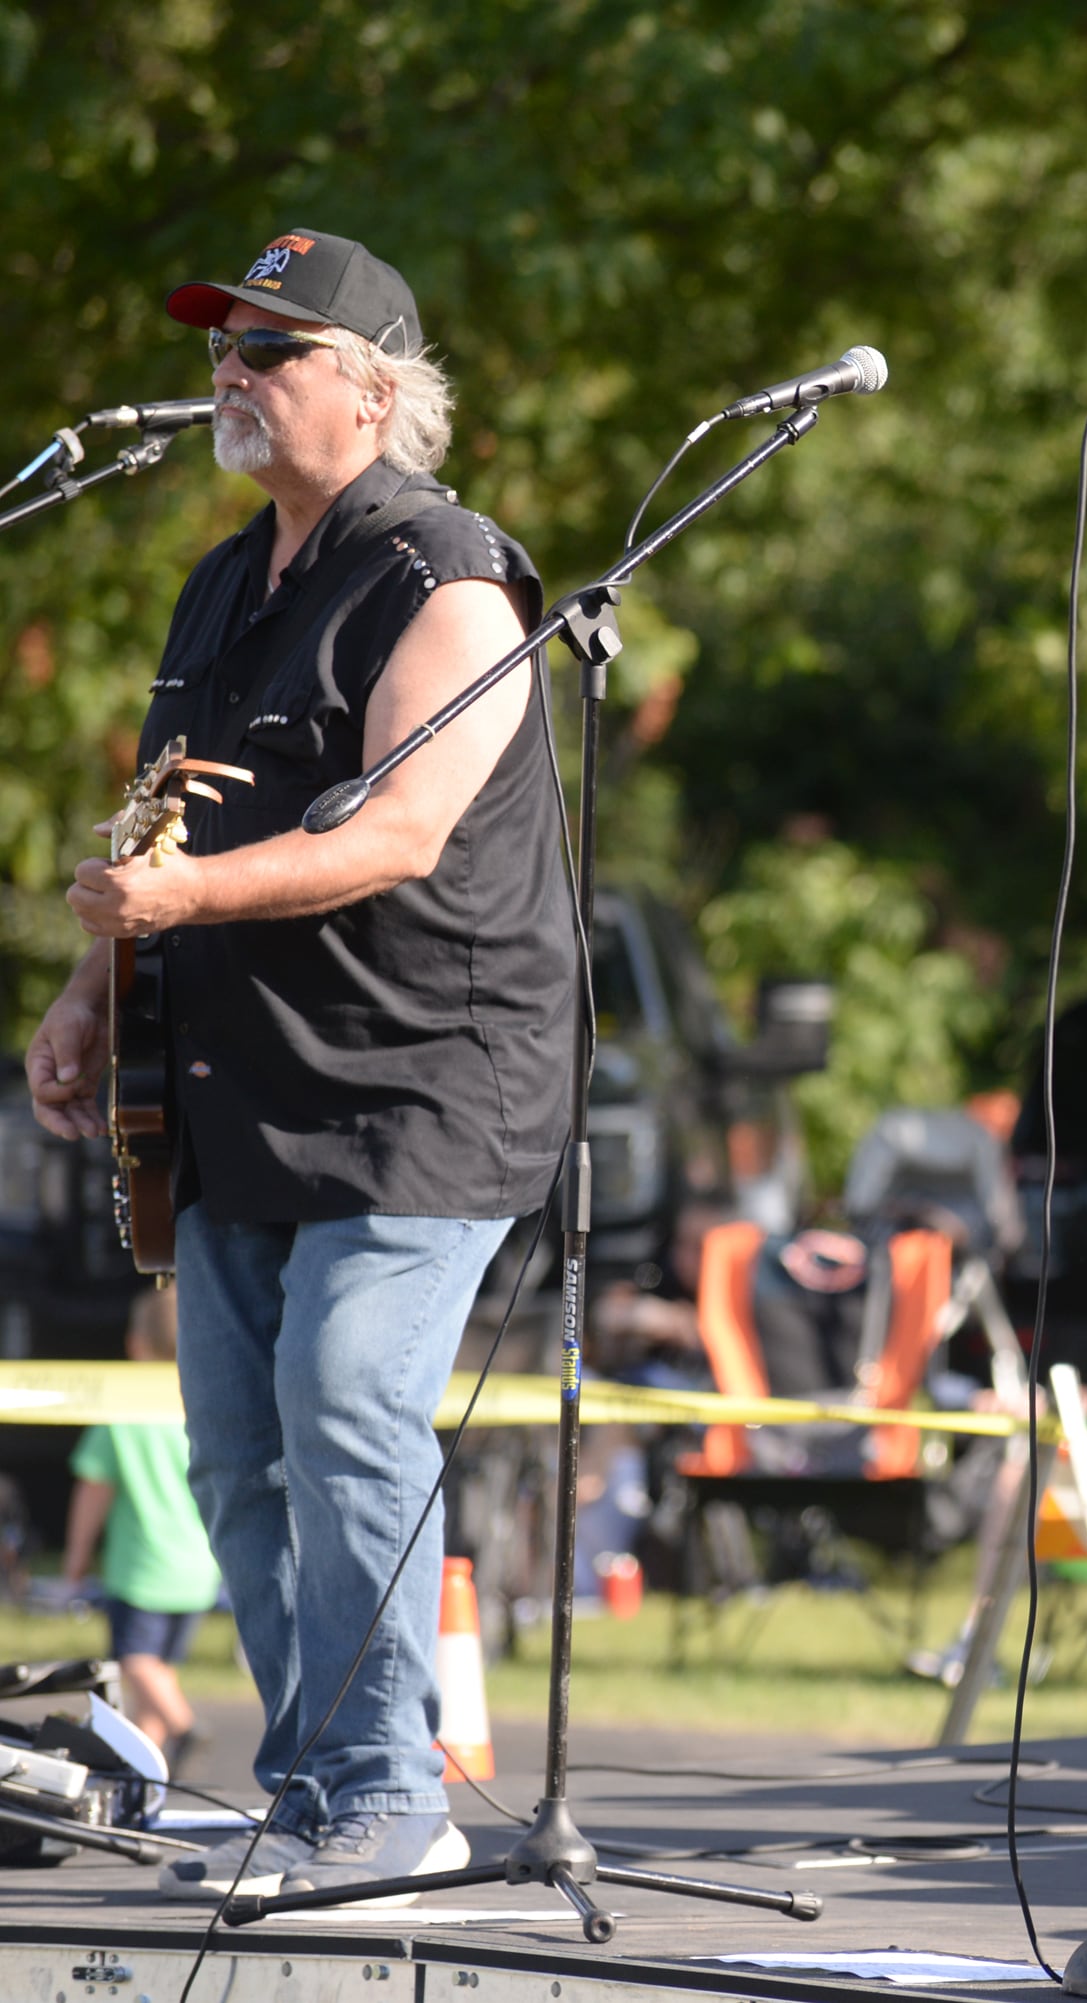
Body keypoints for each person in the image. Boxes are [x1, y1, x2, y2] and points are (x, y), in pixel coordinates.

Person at [21, 228, 572, 1901]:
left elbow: (401, 833)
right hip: (239, 1084)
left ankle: (395, 1792)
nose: (231, 376)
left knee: (347, 1401)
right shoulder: (219, 580)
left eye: (274, 349)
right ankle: (321, 1785)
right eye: (222, 348)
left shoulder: (447, 575)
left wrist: (173, 898)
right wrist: (90, 992)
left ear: (378, 389)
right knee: (236, 1453)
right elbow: (160, 830)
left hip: (427, 1080)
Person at [63, 1287, 222, 1771]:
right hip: (198, 1568)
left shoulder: (124, 1409)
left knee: (134, 1659)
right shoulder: (203, 1403)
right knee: (157, 1671)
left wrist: (76, 1558)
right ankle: (143, 1768)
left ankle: (183, 1723)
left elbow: (94, 1490)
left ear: (135, 1344)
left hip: (142, 1570)